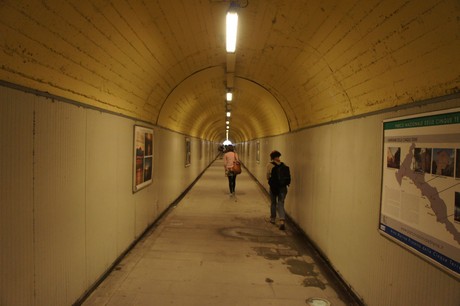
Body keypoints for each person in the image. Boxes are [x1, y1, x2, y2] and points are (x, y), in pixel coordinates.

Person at [267, 150, 290, 230]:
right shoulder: (283, 165)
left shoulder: (269, 165)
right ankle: (282, 221)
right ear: (278, 157)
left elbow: (267, 177)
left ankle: (273, 219)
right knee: (281, 203)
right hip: (283, 187)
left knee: (273, 202)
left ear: (272, 157)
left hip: (274, 187)